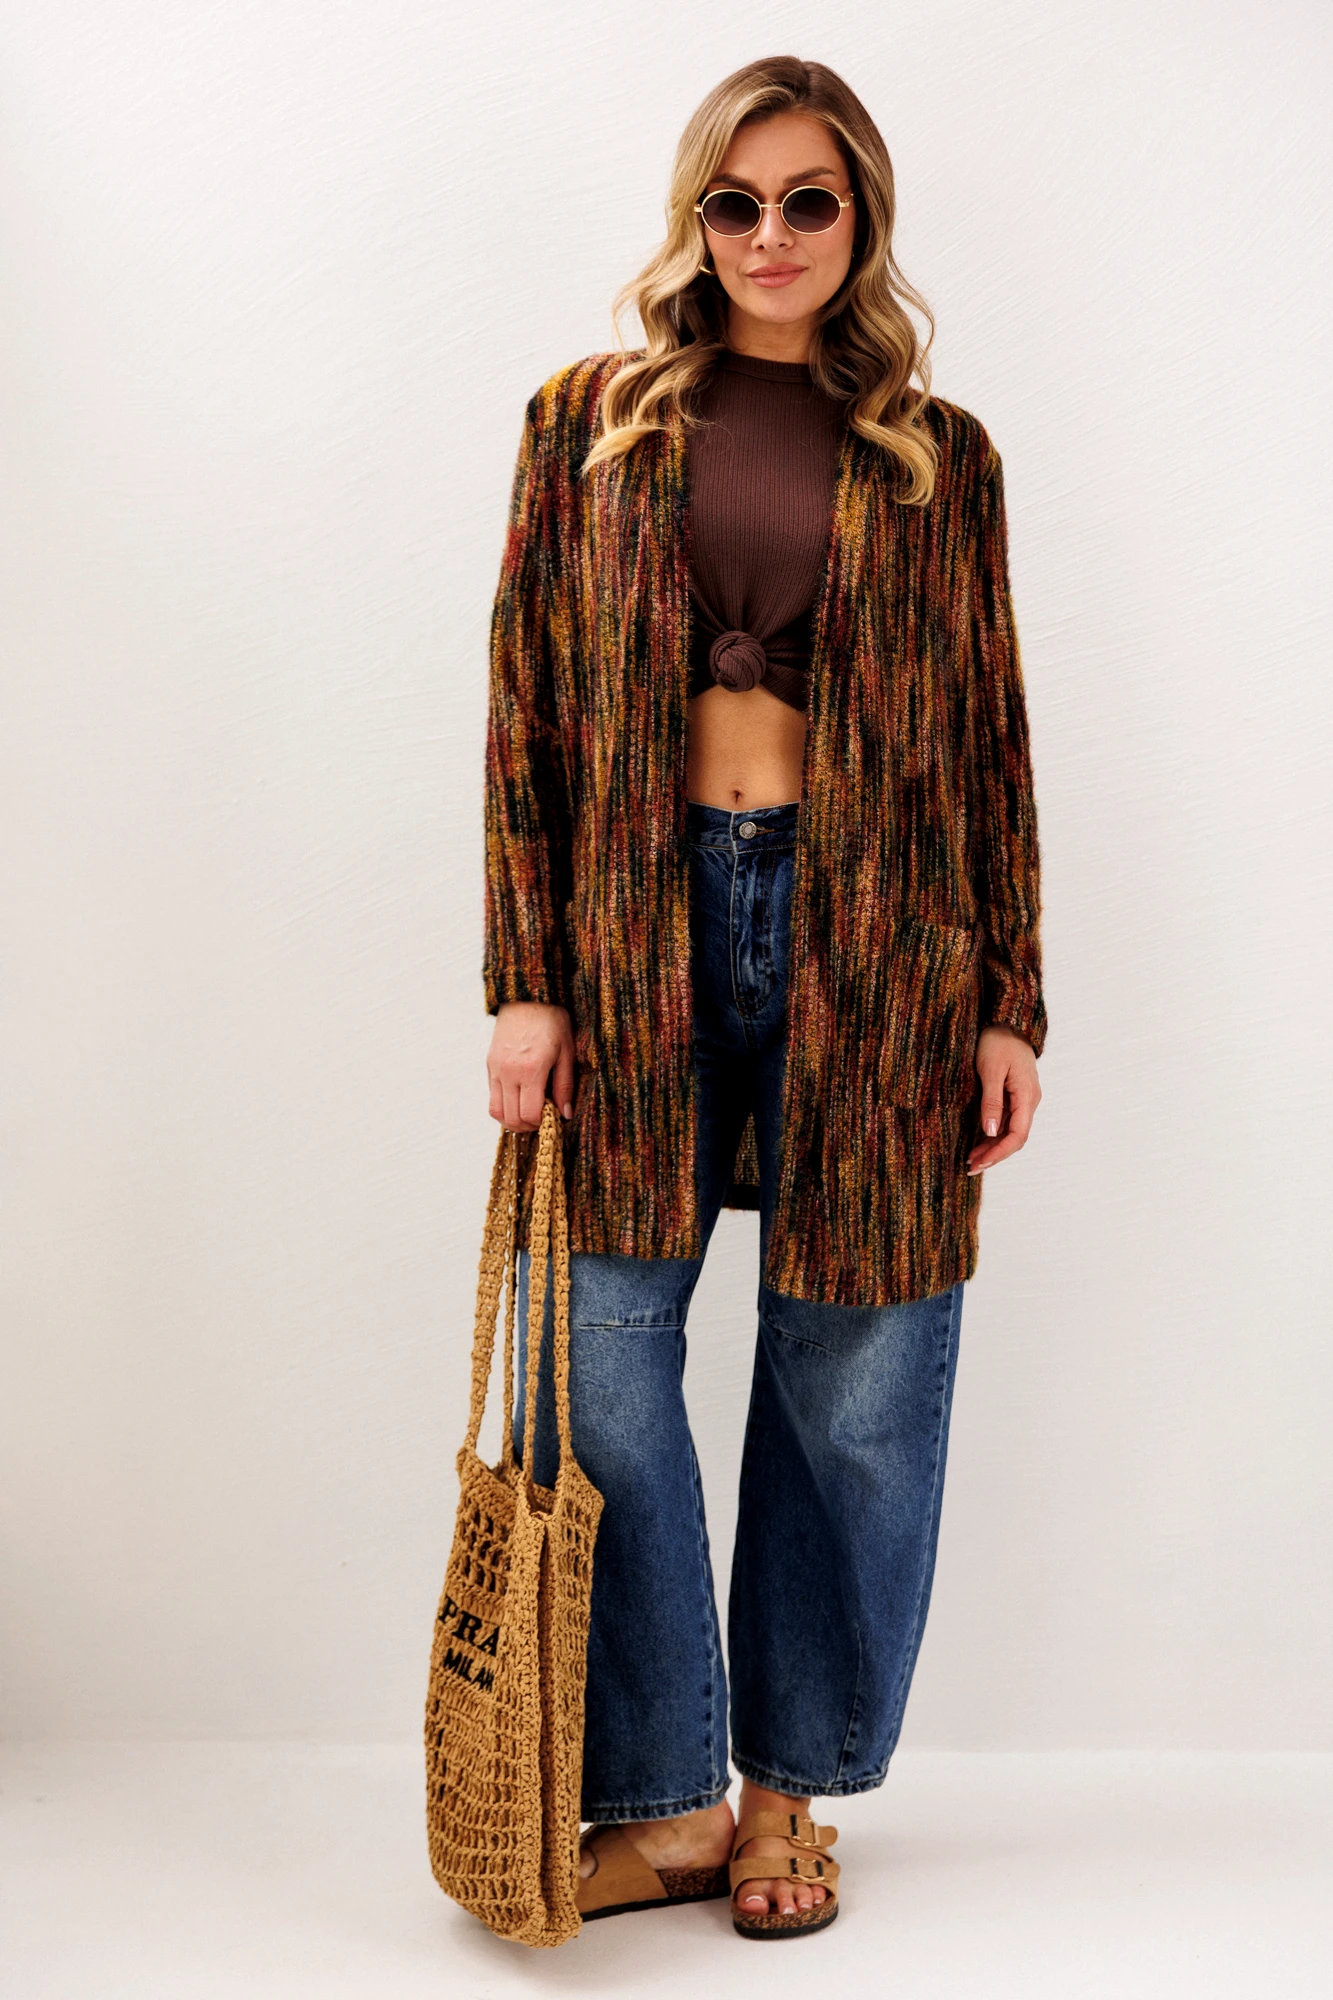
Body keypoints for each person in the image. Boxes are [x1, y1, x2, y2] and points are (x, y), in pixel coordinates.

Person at [481, 55, 1047, 1941]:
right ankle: (665, 1799)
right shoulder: (586, 424)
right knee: (599, 1355)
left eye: (811, 200)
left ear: (860, 217)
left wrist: (1011, 997)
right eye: (737, 203)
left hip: (879, 943)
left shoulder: (940, 455)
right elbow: (525, 712)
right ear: (694, 220)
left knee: (854, 1376)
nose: (772, 235)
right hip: (637, 941)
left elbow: (988, 735)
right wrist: (527, 981)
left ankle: (789, 1796)